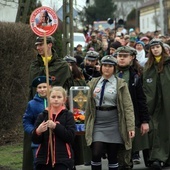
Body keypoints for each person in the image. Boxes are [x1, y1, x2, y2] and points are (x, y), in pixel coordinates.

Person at [23, 36, 73, 170]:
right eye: (37, 45)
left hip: (59, 117)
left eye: (41, 44)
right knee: (41, 159)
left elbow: (69, 88)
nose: (38, 48)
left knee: (59, 157)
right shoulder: (34, 66)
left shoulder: (62, 66)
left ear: (50, 45)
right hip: (39, 120)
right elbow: (31, 91)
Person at [85, 55, 135, 170]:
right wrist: (86, 123)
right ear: (101, 67)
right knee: (96, 152)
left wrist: (130, 127)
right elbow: (88, 106)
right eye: (105, 66)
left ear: (114, 68)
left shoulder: (120, 83)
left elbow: (128, 106)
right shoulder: (94, 82)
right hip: (97, 121)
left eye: (110, 66)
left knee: (113, 155)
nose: (107, 68)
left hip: (115, 122)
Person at [116, 46, 150, 169]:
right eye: (120, 56)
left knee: (127, 149)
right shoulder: (109, 71)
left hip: (129, 115)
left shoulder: (135, 76)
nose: (122, 59)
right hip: (111, 116)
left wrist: (144, 121)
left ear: (131, 58)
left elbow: (141, 100)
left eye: (125, 56)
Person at [32, 86, 76, 170]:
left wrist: (56, 126)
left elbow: (70, 137)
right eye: (53, 97)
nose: (56, 99)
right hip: (43, 159)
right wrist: (38, 131)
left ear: (64, 99)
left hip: (62, 159)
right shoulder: (42, 115)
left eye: (59, 97)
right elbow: (35, 140)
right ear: (49, 99)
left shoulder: (68, 115)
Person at [143, 39, 170, 170]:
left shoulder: (169, 63)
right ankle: (156, 158)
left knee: (166, 130)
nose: (155, 49)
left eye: (157, 47)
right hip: (153, 105)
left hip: (167, 104)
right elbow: (145, 87)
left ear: (162, 48)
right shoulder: (148, 67)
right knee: (154, 130)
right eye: (152, 47)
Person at [23, 76, 52, 170]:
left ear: (50, 87)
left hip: (54, 141)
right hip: (38, 143)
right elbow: (26, 122)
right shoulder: (32, 104)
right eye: (39, 87)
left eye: (45, 87)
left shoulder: (56, 101)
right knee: (40, 165)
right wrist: (34, 131)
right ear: (36, 90)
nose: (42, 89)